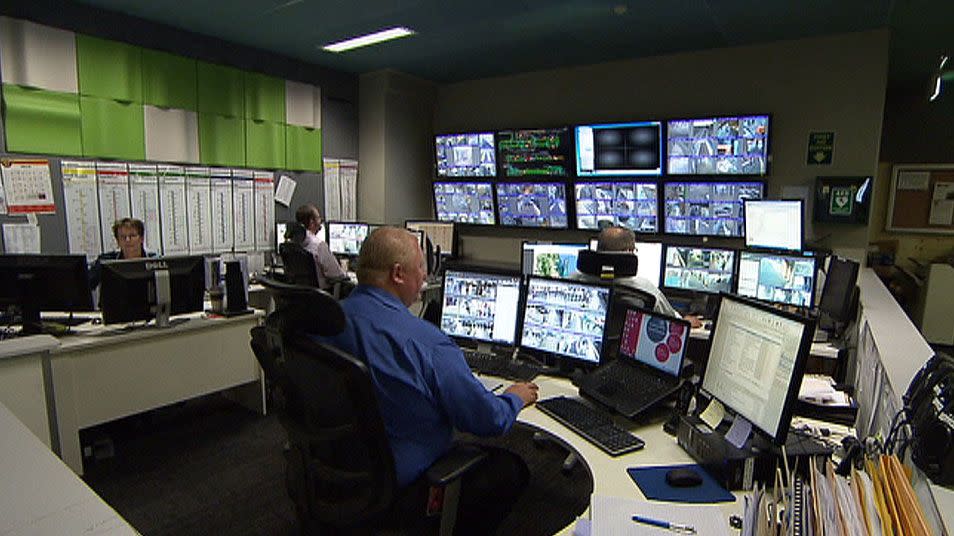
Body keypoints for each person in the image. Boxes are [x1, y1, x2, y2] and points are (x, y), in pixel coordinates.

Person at [317, 227, 538, 533]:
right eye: (421, 267)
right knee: (511, 470)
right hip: (404, 487)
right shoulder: (428, 344)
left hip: (336, 471)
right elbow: (488, 421)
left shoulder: (325, 324)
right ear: (398, 274)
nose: (424, 276)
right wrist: (515, 396)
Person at [576, 226, 702, 328]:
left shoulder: (573, 281)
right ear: (628, 252)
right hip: (628, 353)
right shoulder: (644, 288)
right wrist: (685, 321)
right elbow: (672, 321)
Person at [88, 217, 155, 290]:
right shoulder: (106, 262)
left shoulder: (155, 261)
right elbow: (87, 285)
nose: (127, 240)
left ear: (141, 238)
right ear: (118, 241)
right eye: (123, 237)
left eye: (132, 236)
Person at [294, 204, 347, 291]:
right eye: (318, 218)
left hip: (301, 297)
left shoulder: (293, 244)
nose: (320, 221)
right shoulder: (319, 246)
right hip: (322, 297)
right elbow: (337, 275)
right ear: (312, 222)